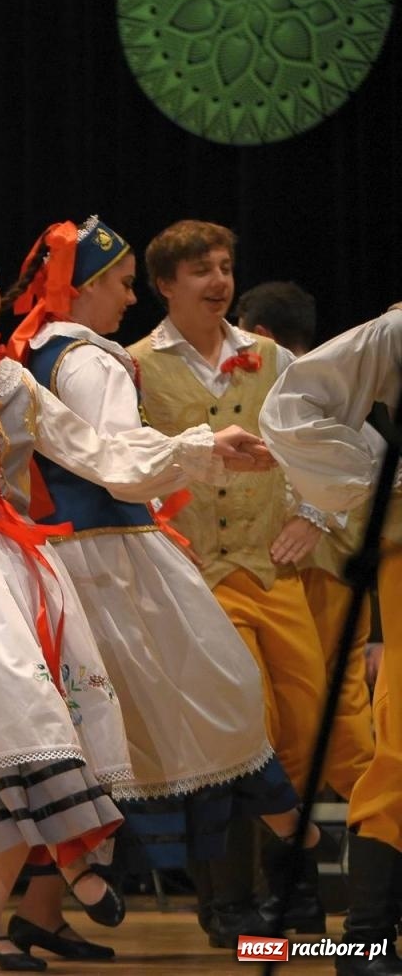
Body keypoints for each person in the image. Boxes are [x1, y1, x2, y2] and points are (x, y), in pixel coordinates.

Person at [0, 240, 274, 971]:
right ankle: (80, 856)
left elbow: (103, 455)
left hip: (14, 567)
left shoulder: (13, 382)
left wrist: (203, 446)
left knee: (46, 726)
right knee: (23, 720)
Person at [5, 217, 317, 954]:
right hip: (114, 561)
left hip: (78, 558)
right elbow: (121, 460)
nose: (125, 296)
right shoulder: (87, 361)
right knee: (226, 697)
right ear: (83, 287)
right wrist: (206, 447)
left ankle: (35, 916)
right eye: (117, 282)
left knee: (104, 736)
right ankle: (310, 875)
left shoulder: (37, 351)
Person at [127, 220, 337, 931]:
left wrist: (312, 516)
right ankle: (238, 899)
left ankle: (288, 878)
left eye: (223, 267)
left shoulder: (271, 357)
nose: (218, 281)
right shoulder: (135, 364)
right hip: (197, 577)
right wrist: (158, 539)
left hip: (271, 568)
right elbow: (129, 463)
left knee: (307, 728)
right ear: (165, 285)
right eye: (200, 271)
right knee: (240, 732)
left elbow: (316, 446)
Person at [261, 304, 402, 976]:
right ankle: (368, 932)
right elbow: (295, 403)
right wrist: (377, 487)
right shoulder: (398, 333)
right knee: (400, 743)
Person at [239, 280, 379, 804]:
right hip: (315, 565)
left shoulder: (307, 387)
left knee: (325, 708)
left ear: (259, 334)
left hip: (317, 563)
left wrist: (314, 515)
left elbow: (367, 458)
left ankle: (375, 851)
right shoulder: (327, 382)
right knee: (311, 707)